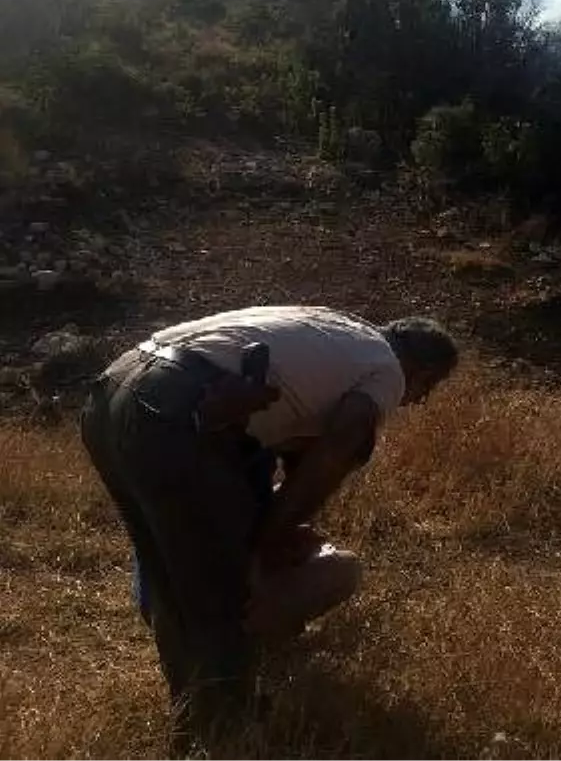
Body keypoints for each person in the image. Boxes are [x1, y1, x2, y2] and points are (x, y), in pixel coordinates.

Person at [79, 305, 458, 754]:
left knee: (172, 583)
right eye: (427, 389)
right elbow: (338, 447)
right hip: (177, 411)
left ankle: (192, 723)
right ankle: (225, 738)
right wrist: (273, 532)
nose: (418, 401)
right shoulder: (387, 370)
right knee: (224, 596)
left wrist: (266, 519)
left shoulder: (332, 326)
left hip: (112, 395)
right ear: (422, 371)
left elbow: (264, 447)